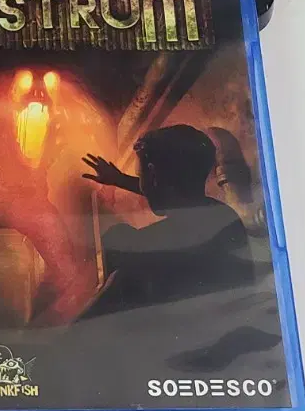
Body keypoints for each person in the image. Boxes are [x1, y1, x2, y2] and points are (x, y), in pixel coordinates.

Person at [74, 124, 256, 322]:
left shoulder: (160, 241)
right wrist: (120, 179)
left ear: (153, 175)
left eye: (140, 176)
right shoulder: (221, 214)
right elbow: (170, 189)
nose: (142, 184)